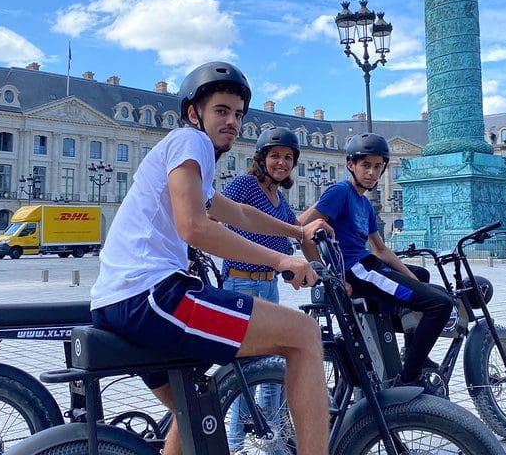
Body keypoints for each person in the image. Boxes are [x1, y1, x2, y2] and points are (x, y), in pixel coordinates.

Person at [89, 62, 330, 455]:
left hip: (120, 302)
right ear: (193, 113)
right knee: (303, 335)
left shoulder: (187, 160)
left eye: (238, 114)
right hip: (151, 297)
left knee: (199, 409)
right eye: (221, 110)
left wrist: (297, 232)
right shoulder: (190, 142)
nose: (232, 121)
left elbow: (240, 214)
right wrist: (282, 261)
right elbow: (195, 228)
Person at [298, 132, 452, 390]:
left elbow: (380, 249)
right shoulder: (340, 192)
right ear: (351, 165)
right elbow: (301, 228)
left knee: (422, 279)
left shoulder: (364, 204)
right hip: (357, 271)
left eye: (377, 167)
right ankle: (408, 376)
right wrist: (329, 278)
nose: (372, 172)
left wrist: (412, 278)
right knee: (440, 305)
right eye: (366, 165)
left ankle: (411, 353)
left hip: (369, 264)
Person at [220, 127, 300, 453]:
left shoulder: (279, 199)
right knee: (248, 368)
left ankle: (271, 443)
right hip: (242, 283)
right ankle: (236, 444)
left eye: (287, 158)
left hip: (268, 287)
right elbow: (217, 214)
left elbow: (294, 233)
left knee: (269, 369)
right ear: (262, 158)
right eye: (275, 155)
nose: (281, 162)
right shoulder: (245, 185)